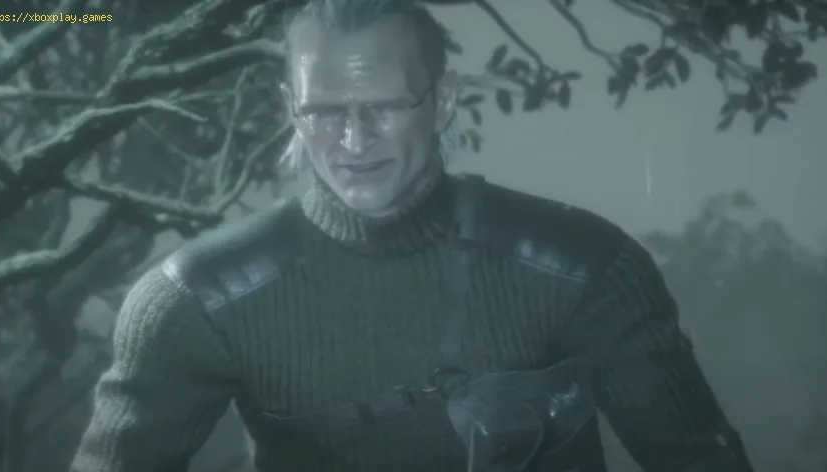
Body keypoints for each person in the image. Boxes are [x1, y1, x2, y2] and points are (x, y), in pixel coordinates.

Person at [71, 1, 756, 471]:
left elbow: (700, 459)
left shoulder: (585, 266)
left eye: (384, 106)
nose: (354, 139)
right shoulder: (195, 299)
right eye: (325, 110)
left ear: (443, 100)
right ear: (290, 110)